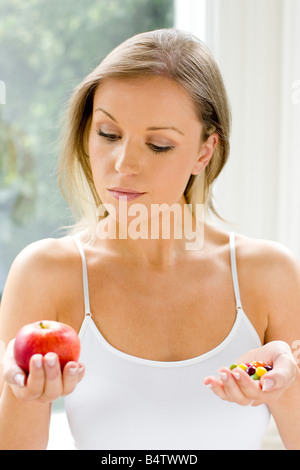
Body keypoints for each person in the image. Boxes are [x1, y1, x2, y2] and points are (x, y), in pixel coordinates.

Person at [0, 28, 300, 450]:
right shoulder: (45, 274)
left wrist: (284, 387)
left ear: (204, 152)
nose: (123, 163)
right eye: (108, 134)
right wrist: (22, 394)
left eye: (158, 145)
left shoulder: (269, 275)